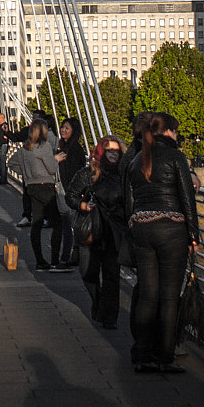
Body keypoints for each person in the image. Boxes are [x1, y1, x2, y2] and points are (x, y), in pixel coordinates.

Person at [125, 111, 200, 373]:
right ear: (167, 131)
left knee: (147, 295)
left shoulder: (136, 160)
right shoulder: (175, 157)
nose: (177, 135)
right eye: (175, 131)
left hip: (142, 230)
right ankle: (164, 355)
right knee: (169, 298)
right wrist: (194, 236)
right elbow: (186, 197)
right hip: (171, 231)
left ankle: (143, 354)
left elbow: (130, 202)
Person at [67, 135, 127, 328]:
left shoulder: (124, 175)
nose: (113, 154)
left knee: (112, 275)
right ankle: (98, 300)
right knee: (87, 272)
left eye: (116, 151)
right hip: (91, 230)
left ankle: (110, 317)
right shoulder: (88, 174)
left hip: (114, 231)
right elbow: (70, 195)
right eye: (109, 150)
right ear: (100, 151)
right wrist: (83, 205)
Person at [18, 120, 62, 272]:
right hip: (45, 187)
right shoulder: (45, 146)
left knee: (36, 224)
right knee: (57, 224)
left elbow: (12, 164)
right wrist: (56, 160)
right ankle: (55, 261)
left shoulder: (24, 148)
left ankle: (40, 261)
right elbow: (51, 169)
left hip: (31, 188)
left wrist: (27, 175)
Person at [54, 116, 87, 267]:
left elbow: (75, 172)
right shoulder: (63, 146)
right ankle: (69, 256)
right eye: (62, 127)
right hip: (62, 190)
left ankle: (66, 257)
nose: (63, 130)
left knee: (68, 226)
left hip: (68, 192)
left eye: (67, 128)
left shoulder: (75, 149)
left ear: (74, 131)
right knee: (66, 225)